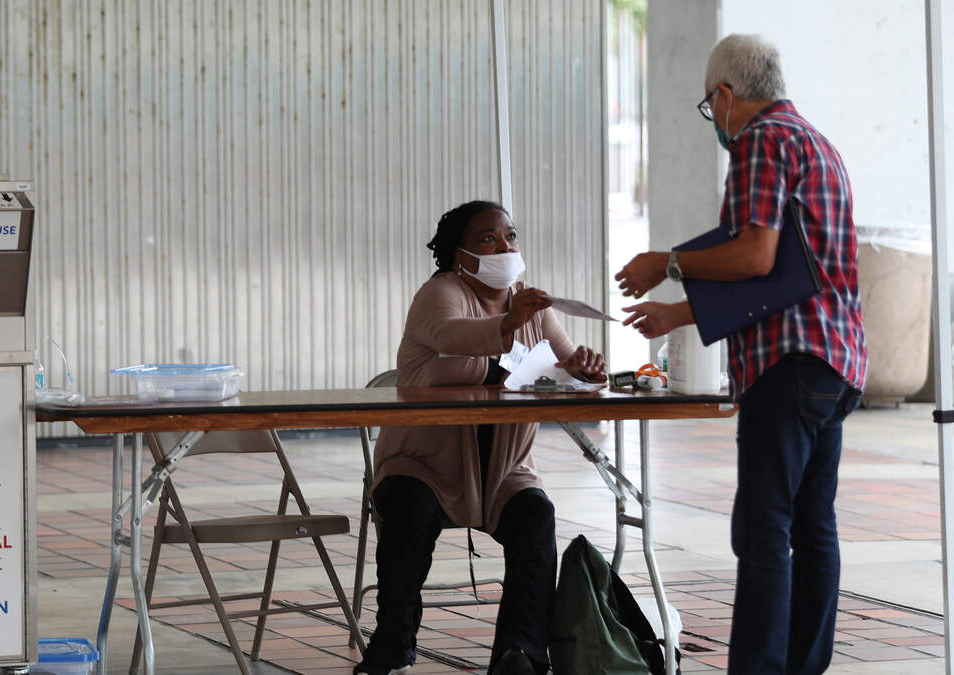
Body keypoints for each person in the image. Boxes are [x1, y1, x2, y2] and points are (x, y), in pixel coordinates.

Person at [615, 34, 867, 674]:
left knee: (762, 531)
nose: (715, 120)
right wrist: (678, 313)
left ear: (725, 95)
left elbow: (754, 255)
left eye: (709, 106)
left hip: (788, 366)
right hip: (835, 363)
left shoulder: (760, 141)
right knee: (813, 527)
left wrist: (667, 261)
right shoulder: (818, 143)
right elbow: (782, 276)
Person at [353, 200, 607, 675]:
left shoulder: (530, 303)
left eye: (510, 236)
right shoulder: (439, 292)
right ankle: (392, 648)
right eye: (488, 239)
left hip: (506, 472)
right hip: (422, 466)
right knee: (408, 510)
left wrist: (584, 370)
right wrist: (508, 333)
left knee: (536, 517)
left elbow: (565, 366)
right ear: (459, 254)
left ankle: (520, 655)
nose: (504, 246)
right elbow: (450, 338)